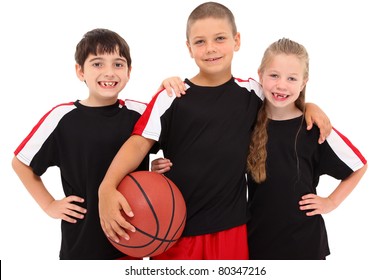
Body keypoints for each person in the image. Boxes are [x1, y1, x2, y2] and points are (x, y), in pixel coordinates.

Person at [98, 2, 330, 260]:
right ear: (189, 48)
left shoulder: (253, 92)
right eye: (200, 42)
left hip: (231, 230)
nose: (210, 48)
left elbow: (283, 97)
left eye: (220, 38)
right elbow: (138, 143)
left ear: (236, 40)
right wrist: (106, 188)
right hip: (173, 229)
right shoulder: (172, 96)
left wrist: (309, 105)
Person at [11, 28, 151, 260]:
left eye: (118, 64)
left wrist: (160, 168)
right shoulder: (62, 117)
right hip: (82, 245)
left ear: (129, 72)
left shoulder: (139, 113)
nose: (109, 72)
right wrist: (49, 205)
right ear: (80, 71)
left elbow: (171, 141)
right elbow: (20, 163)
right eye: (97, 64)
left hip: (132, 242)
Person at [245, 38, 368, 259]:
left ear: (304, 83)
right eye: (274, 75)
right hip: (256, 242)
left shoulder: (314, 128)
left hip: (305, 245)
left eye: (292, 78)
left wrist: (331, 202)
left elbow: (359, 165)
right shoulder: (246, 120)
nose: (281, 85)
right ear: (260, 75)